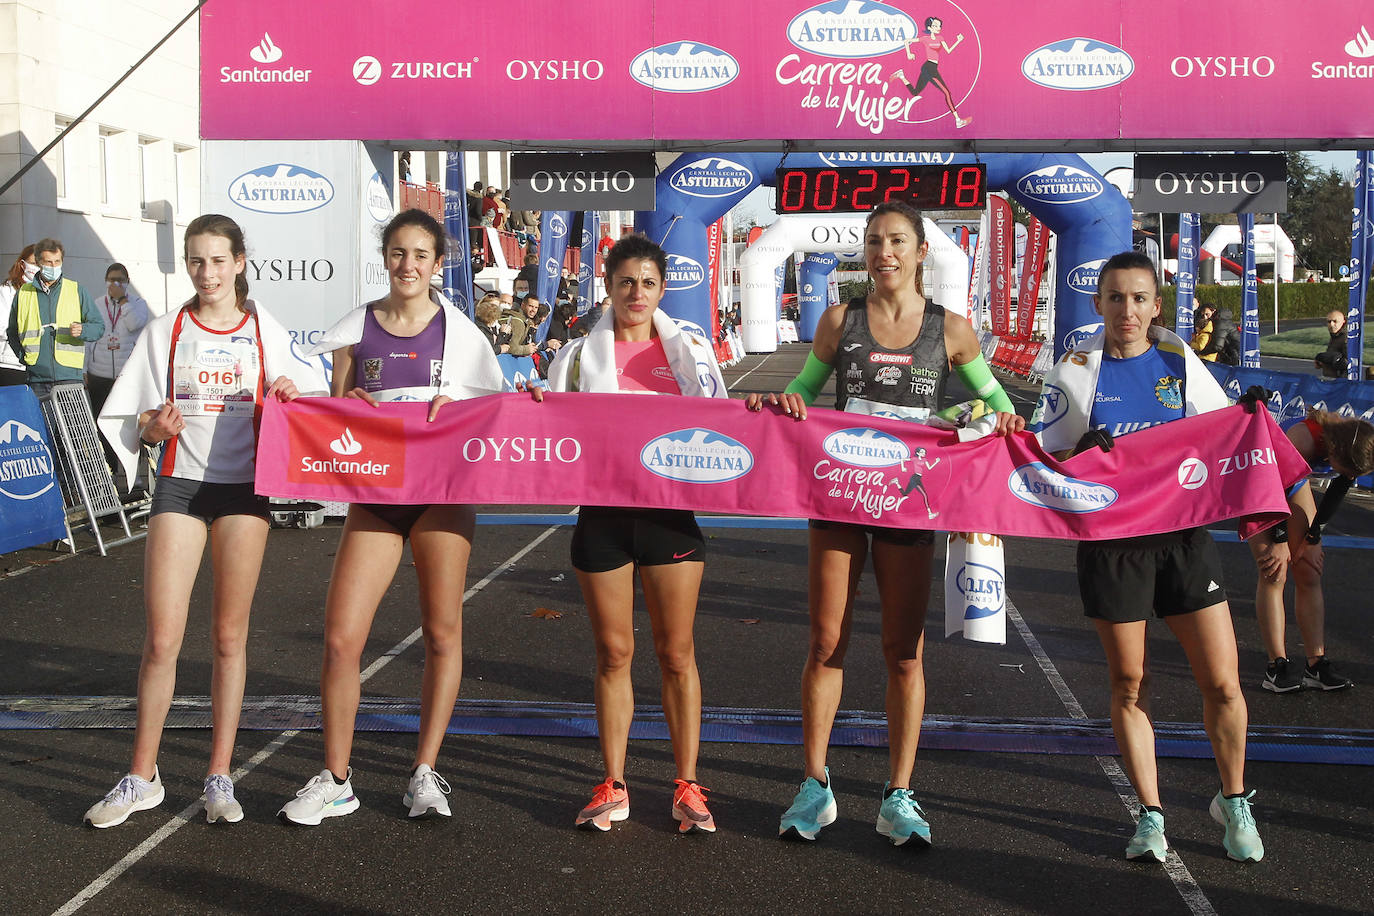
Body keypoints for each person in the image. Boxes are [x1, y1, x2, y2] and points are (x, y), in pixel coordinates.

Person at [747, 201, 1023, 847]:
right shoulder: (839, 320)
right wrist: (786, 400)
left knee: (903, 652)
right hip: (840, 498)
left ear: (921, 251)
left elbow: (1001, 405)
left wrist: (995, 418)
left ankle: (899, 794)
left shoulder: (951, 330)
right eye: (874, 242)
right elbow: (806, 394)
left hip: (909, 504)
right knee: (825, 642)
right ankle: (814, 785)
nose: (884, 253)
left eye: (896, 240)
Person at [86, 214, 326, 828]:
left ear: (240, 262)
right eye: (196, 261)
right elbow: (133, 421)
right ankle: (142, 775)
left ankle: (220, 772)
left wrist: (292, 393)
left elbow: (308, 396)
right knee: (162, 638)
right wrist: (151, 428)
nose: (207, 272)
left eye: (218, 260)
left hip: (246, 490)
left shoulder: (264, 329)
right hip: (180, 486)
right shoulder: (165, 330)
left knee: (228, 637)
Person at [1031, 250, 1263, 864]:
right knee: (1131, 682)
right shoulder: (1075, 371)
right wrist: (1080, 449)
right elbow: (1041, 459)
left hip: (1183, 540)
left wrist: (1254, 422)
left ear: (1156, 306)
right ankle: (1151, 814)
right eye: (1115, 297)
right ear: (1098, 304)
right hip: (1113, 547)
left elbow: (1227, 437)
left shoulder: (1179, 362)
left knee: (1223, 682)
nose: (1127, 309)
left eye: (1138, 298)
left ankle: (1233, 798)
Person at [279, 209, 505, 826]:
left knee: (441, 633)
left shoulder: (459, 334)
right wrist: (330, 401)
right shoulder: (355, 329)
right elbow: (331, 405)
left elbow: (492, 408)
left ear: (438, 263)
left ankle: (425, 770)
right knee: (341, 638)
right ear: (386, 258)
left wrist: (459, 402)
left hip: (442, 495)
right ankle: (336, 777)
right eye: (398, 253)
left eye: (420, 255)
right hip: (377, 496)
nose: (409, 265)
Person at [532, 233, 728, 833]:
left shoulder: (690, 351)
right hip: (604, 519)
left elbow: (724, 419)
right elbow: (546, 426)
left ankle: (688, 784)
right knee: (614, 653)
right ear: (609, 287)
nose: (636, 293)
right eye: (625, 282)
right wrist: (534, 401)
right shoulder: (573, 355)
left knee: (676, 653)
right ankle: (613, 782)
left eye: (647, 282)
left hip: (669, 517)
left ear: (662, 288)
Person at [1249, 409, 1372, 692]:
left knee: (1308, 570)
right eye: (1347, 469)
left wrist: (1313, 538)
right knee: (1274, 570)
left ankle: (1316, 665)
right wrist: (1279, 541)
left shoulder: (1356, 441)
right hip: (1259, 479)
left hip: (1289, 477)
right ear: (1334, 451)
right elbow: (1273, 487)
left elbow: (1339, 487)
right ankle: (1275, 666)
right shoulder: (1303, 440)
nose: (1348, 476)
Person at [6, 237, 104, 396]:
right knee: (40, 421)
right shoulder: (23, 293)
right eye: (48, 262)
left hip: (69, 378)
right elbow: (12, 332)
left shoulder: (77, 290)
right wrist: (23, 357)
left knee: (72, 422)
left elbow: (99, 326)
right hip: (36, 379)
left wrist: (83, 330)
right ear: (38, 263)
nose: (54, 266)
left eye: (57, 261)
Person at [85, 262, 150, 428]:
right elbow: (89, 339)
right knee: (100, 420)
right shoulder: (96, 304)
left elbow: (134, 323)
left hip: (125, 374)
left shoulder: (138, 303)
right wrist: (84, 370)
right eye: (112, 280)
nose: (115, 284)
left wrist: (122, 300)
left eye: (120, 280)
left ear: (127, 281)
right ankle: (104, 453)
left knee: (125, 423)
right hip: (98, 373)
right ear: (105, 281)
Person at [889, 17, 972, 128]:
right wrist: (909, 53)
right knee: (947, 93)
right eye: (935, 26)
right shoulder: (925, 39)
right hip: (929, 68)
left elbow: (948, 51)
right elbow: (906, 41)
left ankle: (901, 75)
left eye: (939, 26)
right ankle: (958, 120)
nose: (938, 28)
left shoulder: (940, 38)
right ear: (929, 28)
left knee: (915, 92)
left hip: (932, 68)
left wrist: (958, 41)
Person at [0, 245, 37, 386]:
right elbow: (2, 325)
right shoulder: (7, 290)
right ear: (22, 264)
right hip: (11, 363)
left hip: (38, 367)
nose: (37, 268)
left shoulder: (47, 291)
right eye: (33, 263)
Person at [1314, 310, 1349, 378]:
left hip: (1341, 382)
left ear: (1343, 322)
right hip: (1331, 379)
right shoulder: (1335, 337)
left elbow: (1347, 363)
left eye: (1335, 321)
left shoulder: (1346, 338)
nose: (1332, 324)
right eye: (1329, 321)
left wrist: (1324, 358)